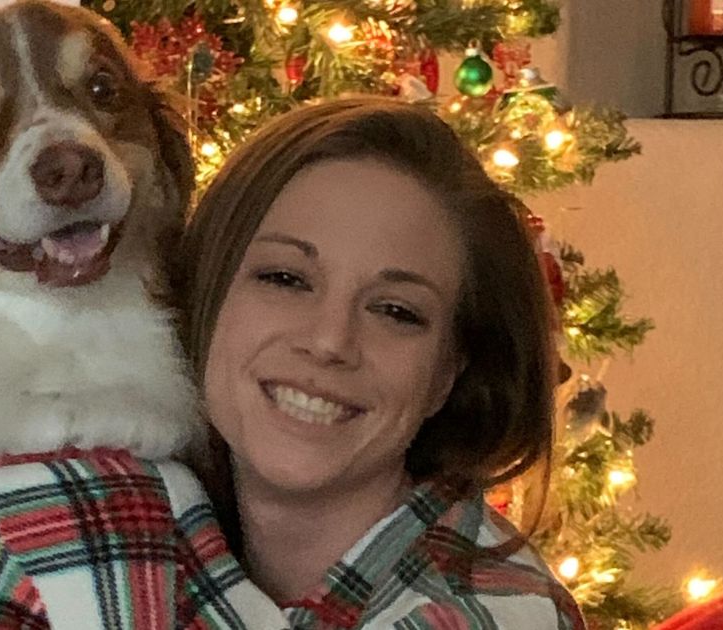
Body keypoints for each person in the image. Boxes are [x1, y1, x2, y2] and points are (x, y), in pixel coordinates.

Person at [171, 96, 585, 629]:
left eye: (396, 312)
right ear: (208, 289)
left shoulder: (475, 617)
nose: (329, 341)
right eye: (286, 278)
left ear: (446, 373)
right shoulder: (124, 532)